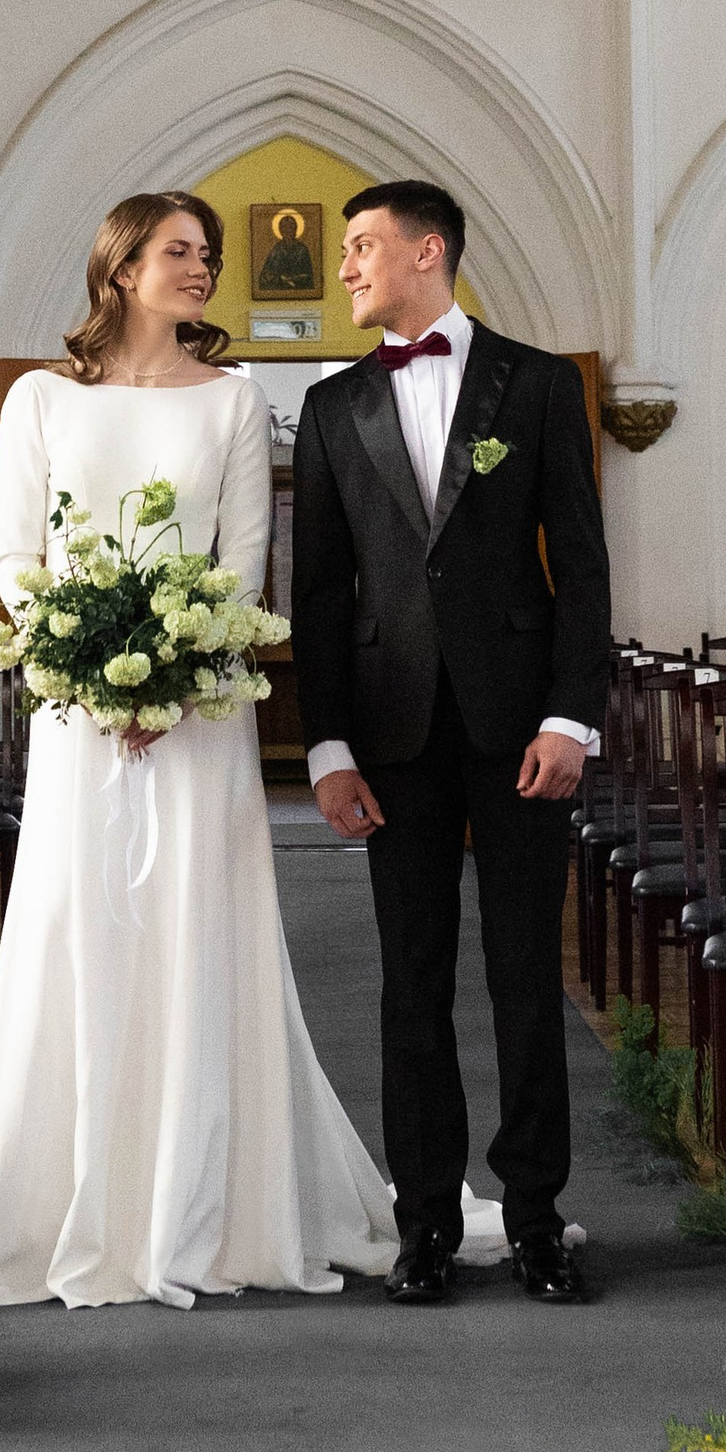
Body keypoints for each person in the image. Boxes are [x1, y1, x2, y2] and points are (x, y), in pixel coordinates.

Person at [0, 192, 395, 1309]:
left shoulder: (232, 401)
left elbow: (240, 562)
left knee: (194, 930)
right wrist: (86, 672)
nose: (198, 268)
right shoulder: (40, 398)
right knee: (78, 929)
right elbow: (17, 560)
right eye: (177, 251)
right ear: (119, 265)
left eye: (207, 255)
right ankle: (61, 1201)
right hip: (79, 724)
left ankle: (209, 1202)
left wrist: (175, 681)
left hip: (199, 720)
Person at [292, 180, 613, 1308]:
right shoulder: (332, 409)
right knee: (409, 982)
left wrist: (571, 716)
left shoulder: (536, 384)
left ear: (428, 251)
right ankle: (423, 1219)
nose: (345, 268)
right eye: (342, 250)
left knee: (529, 978)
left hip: (521, 723)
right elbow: (320, 592)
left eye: (361, 246)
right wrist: (325, 745)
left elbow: (579, 561)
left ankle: (536, 1220)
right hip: (391, 730)